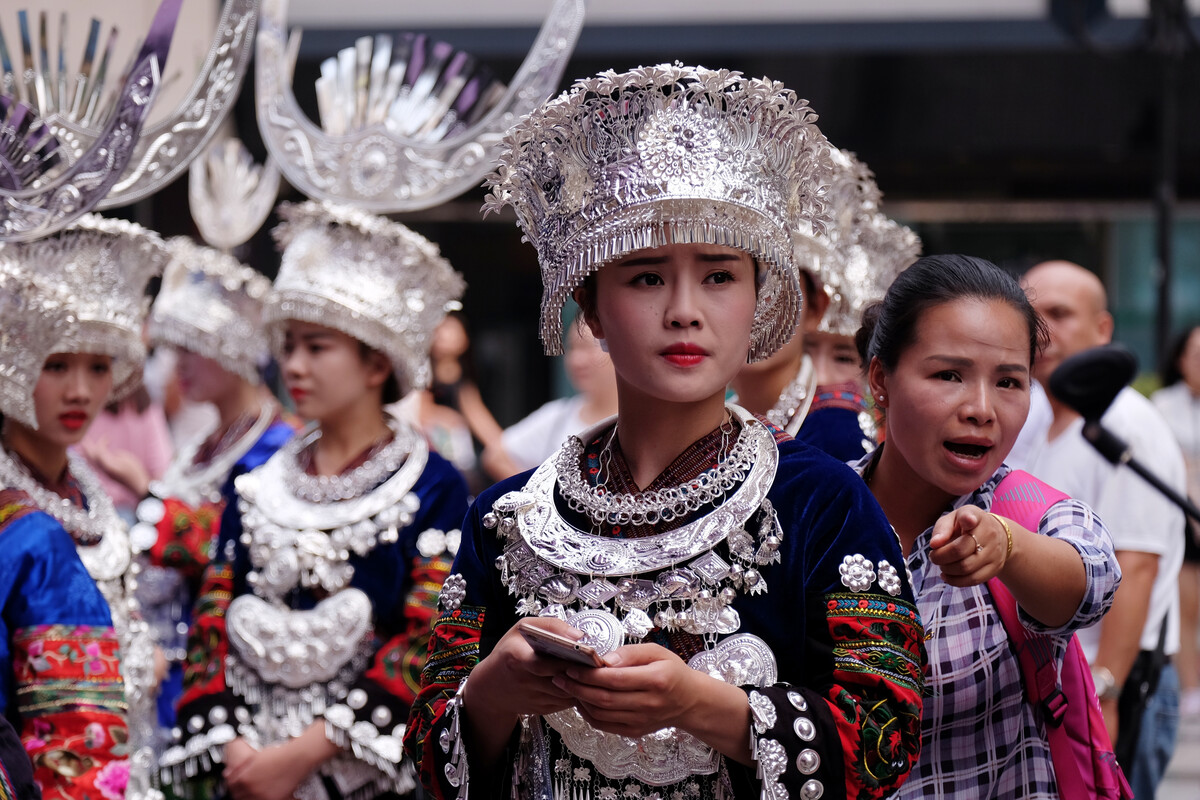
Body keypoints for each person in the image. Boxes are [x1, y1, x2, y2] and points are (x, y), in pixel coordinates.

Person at [406, 63, 925, 800]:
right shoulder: (507, 518)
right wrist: (493, 693)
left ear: (759, 297)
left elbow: (888, 736)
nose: (685, 310)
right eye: (646, 277)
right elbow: (427, 758)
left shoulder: (824, 501)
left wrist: (706, 708)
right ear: (590, 308)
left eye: (718, 276)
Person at [162, 201, 470, 800]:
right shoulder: (256, 476)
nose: (294, 367)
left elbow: (430, 637)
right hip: (245, 768)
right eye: (289, 346)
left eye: (317, 347)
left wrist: (302, 756)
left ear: (377, 361)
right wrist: (238, 749)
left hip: (367, 777)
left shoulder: (433, 483)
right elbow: (210, 618)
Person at [853, 254, 1120, 798]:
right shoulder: (816, 515)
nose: (981, 408)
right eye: (948, 374)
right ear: (881, 378)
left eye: (1008, 382)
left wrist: (1009, 548)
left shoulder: (1030, 512)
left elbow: (1091, 580)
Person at [0, 215, 172, 800]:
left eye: (98, 368)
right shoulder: (13, 519)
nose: (80, 391)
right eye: (57, 365)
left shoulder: (83, 485)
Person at [1015, 259, 1184, 799]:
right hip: (1050, 683)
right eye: (1032, 317)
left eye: (1060, 315)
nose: (1045, 332)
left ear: (1103, 329)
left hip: (1110, 685)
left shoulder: (1127, 424)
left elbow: (1136, 568)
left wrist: (1105, 692)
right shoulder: (1032, 414)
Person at [125, 237, 294, 754]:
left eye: (193, 348)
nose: (180, 366)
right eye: (174, 350)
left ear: (233, 347)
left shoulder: (277, 448)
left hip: (220, 673)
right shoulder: (200, 445)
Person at [481, 322, 618, 481]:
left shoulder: (642, 424)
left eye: (587, 347)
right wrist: (537, 496)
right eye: (572, 348)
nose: (576, 360)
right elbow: (496, 456)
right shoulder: (558, 416)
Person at [1152, 323, 1200, 723]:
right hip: (1185, 522)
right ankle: (1191, 690)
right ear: (1181, 359)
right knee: (1185, 607)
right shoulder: (1163, 406)